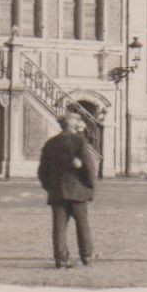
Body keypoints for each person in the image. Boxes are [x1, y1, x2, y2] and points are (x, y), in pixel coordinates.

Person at [38, 113, 97, 268]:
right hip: (78, 191)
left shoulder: (50, 143)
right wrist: (90, 186)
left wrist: (50, 187)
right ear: (73, 125)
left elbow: (42, 171)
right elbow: (90, 168)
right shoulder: (79, 142)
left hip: (57, 191)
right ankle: (87, 256)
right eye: (78, 121)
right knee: (82, 225)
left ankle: (61, 259)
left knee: (59, 227)